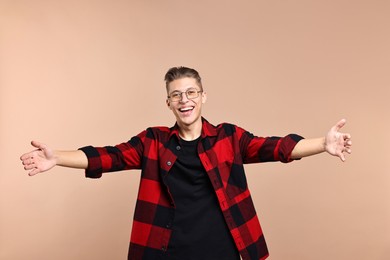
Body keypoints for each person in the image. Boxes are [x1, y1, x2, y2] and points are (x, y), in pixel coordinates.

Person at [20, 66, 352, 260]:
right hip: (165, 250)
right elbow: (108, 156)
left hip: (223, 248)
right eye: (177, 95)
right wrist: (57, 158)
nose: (185, 100)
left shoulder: (229, 138)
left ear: (203, 97)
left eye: (191, 92)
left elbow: (276, 147)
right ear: (168, 102)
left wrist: (323, 144)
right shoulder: (153, 141)